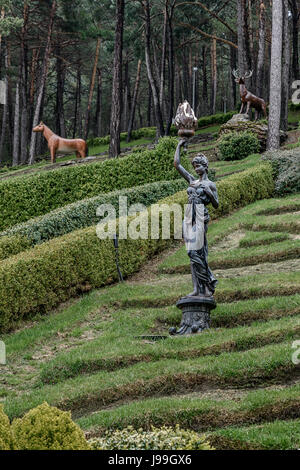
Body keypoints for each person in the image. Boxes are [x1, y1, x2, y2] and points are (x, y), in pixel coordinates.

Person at [174, 139, 219, 297]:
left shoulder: (210, 184)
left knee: (197, 252)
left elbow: (216, 204)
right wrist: (179, 146)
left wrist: (209, 193)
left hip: (200, 215)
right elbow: (177, 165)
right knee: (191, 255)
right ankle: (196, 289)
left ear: (205, 166)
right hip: (188, 216)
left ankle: (208, 282)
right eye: (194, 166)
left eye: (198, 165)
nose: (196, 168)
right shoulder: (192, 181)